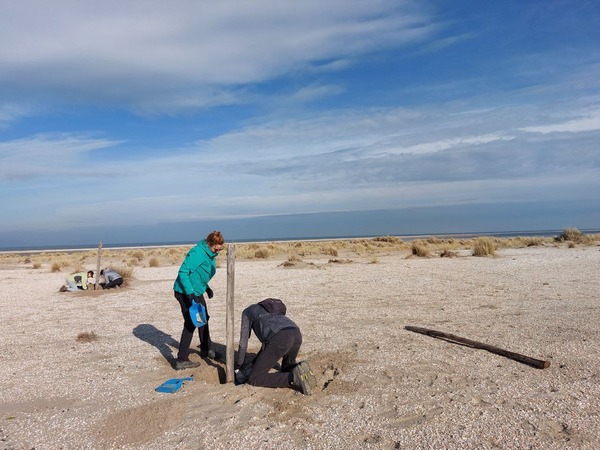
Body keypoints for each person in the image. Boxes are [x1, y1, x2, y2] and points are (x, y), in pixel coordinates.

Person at [235, 298, 317, 395]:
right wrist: (254, 362)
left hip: (280, 338)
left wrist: (239, 364)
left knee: (255, 378)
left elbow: (243, 344)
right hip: (296, 333)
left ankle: (293, 378)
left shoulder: (247, 312)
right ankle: (300, 370)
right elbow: (266, 347)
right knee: (286, 368)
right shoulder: (271, 309)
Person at [172, 230, 224, 370]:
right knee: (191, 323)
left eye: (220, 249)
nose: (218, 251)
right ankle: (181, 359)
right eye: (216, 248)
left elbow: (198, 274)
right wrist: (189, 294)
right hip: (184, 292)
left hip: (196, 291)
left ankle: (206, 349)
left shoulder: (209, 254)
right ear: (209, 244)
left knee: (203, 318)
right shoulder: (197, 253)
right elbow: (183, 272)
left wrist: (206, 287)